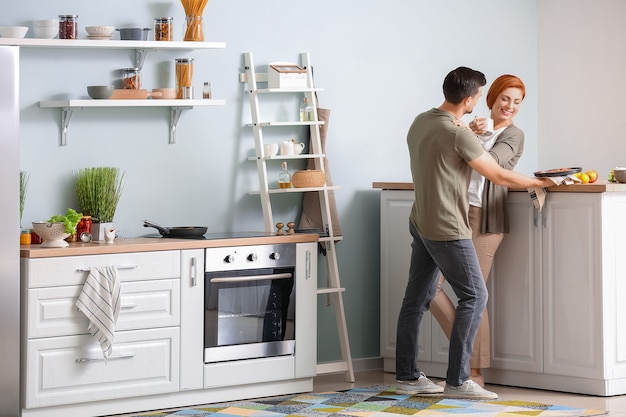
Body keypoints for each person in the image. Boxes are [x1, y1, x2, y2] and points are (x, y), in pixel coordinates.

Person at [395, 67, 553, 400]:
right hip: (448, 225)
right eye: (480, 96)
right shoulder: (459, 133)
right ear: (470, 98)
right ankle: (458, 380)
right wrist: (540, 182)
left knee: (415, 298)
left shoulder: (421, 120)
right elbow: (497, 174)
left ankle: (407, 376)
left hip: (421, 219)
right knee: (475, 296)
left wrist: (470, 129)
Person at [429, 74, 527, 388]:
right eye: (505, 99)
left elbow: (492, 164)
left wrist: (469, 136)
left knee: (473, 295)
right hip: (456, 215)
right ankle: (466, 358)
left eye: (516, 102)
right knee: (431, 290)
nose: (509, 106)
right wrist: (469, 130)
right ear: (491, 98)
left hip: (487, 221)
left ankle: (473, 373)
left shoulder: (514, 134)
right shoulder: (473, 127)